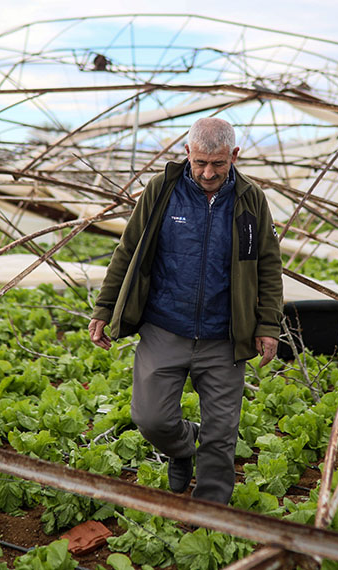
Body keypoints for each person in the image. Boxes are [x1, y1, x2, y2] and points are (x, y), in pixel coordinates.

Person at [88, 117, 284, 504]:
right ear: (187, 154)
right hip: (165, 326)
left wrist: (268, 325)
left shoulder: (251, 200)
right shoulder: (162, 190)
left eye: (218, 164)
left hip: (225, 334)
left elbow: (267, 265)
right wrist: (104, 307)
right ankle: (181, 447)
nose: (208, 173)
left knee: (221, 433)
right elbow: (128, 250)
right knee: (151, 418)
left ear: (234, 156)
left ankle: (210, 515)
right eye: (200, 163)